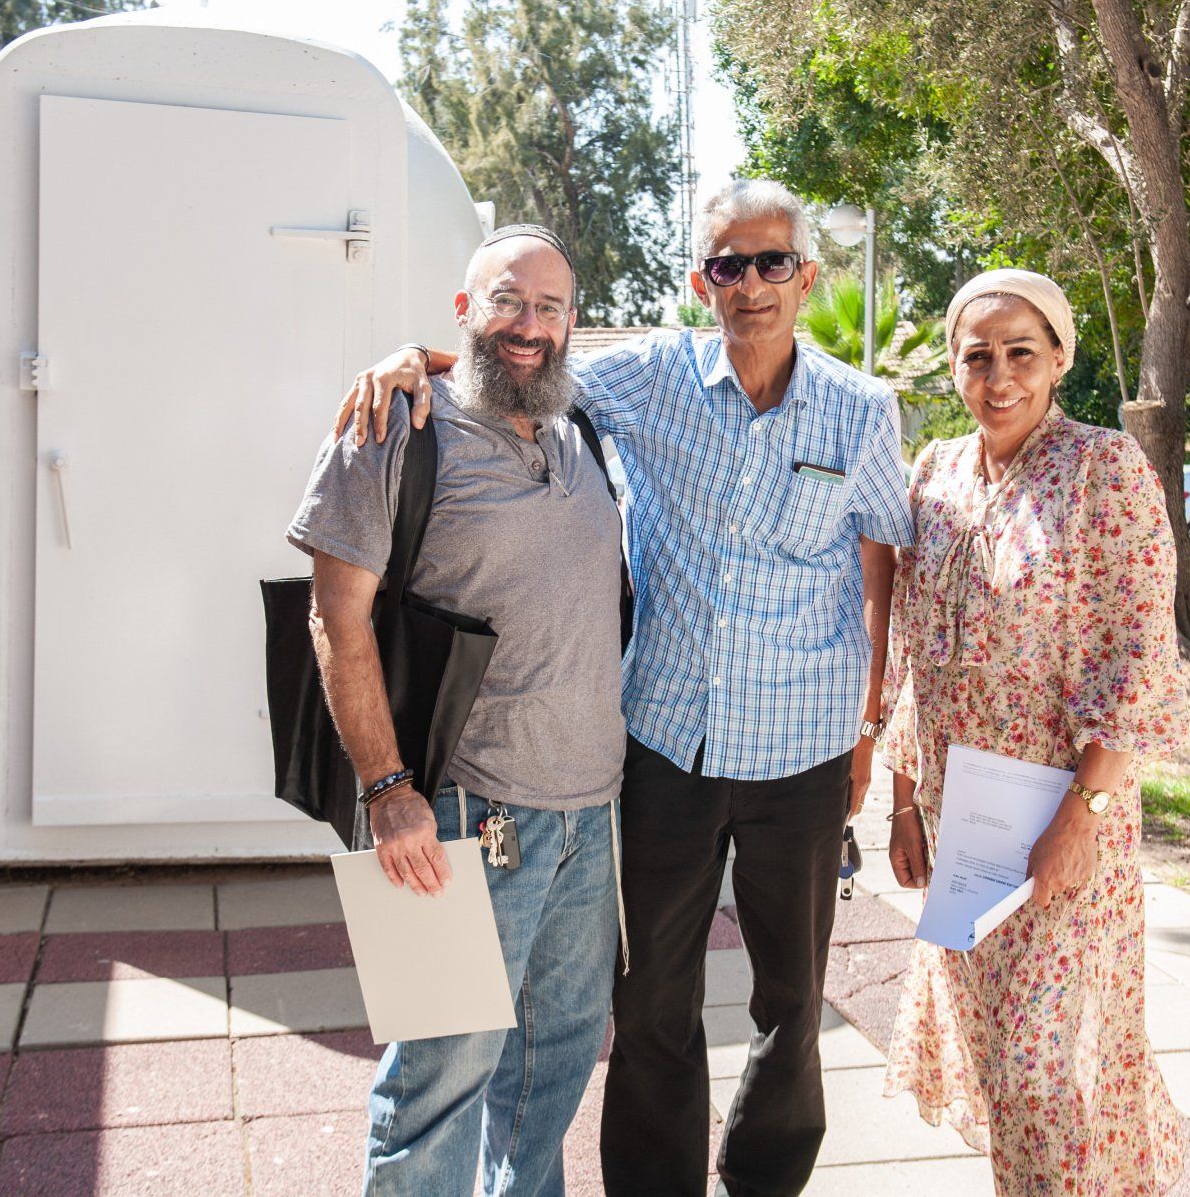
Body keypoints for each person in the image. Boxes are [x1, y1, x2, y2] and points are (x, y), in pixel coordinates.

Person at [341, 180, 914, 1195]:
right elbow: (519, 363)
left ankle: (764, 1180)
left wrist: (870, 723)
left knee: (792, 999)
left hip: (801, 753)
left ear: (805, 275)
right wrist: (414, 357)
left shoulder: (863, 410)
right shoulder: (647, 378)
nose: (751, 282)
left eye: (772, 261)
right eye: (728, 265)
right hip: (659, 750)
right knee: (644, 1005)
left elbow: (880, 561)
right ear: (703, 283)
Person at [288, 224, 625, 1197]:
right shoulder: (394, 425)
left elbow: (517, 363)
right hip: (451, 823)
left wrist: (425, 355)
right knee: (434, 1087)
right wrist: (388, 792)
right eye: (507, 301)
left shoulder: (578, 425)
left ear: (572, 322)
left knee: (547, 1084)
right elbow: (334, 618)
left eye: (550, 307)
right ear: (463, 309)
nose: (529, 325)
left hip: (588, 825)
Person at [877, 268, 1187, 1194]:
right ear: (954, 367)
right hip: (960, 819)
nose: (999, 377)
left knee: (1047, 1072)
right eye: (978, 357)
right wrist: (902, 803)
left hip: (1064, 817)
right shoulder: (932, 473)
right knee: (997, 1067)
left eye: (1022, 353)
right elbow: (912, 647)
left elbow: (1141, 654)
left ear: (1059, 360)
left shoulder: (1103, 470)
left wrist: (1082, 813)